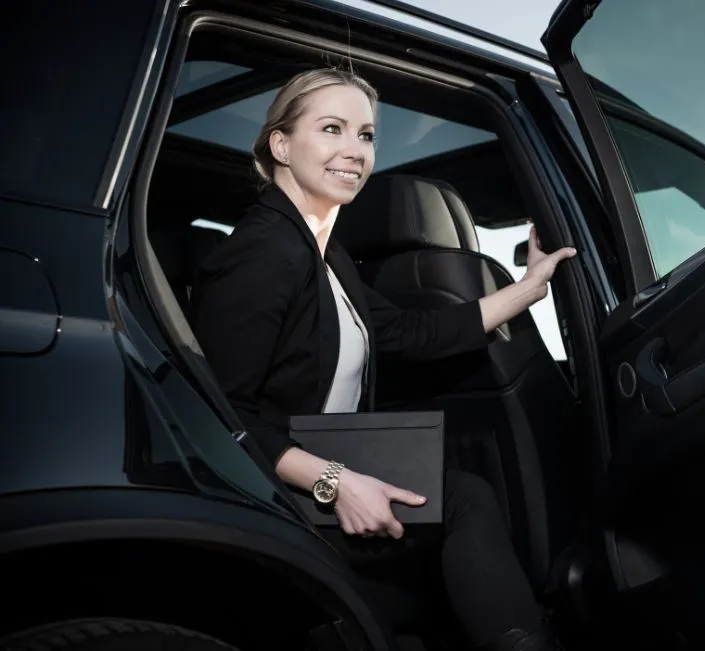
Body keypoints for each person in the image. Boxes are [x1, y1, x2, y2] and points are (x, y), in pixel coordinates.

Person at [189, 67, 576, 651]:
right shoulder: (263, 254)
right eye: (332, 129)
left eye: (366, 135)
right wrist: (335, 482)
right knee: (466, 497)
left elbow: (409, 332)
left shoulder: (323, 253)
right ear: (281, 145)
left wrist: (529, 287)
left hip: (312, 464)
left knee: (462, 488)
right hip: (266, 490)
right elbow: (222, 418)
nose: (355, 151)